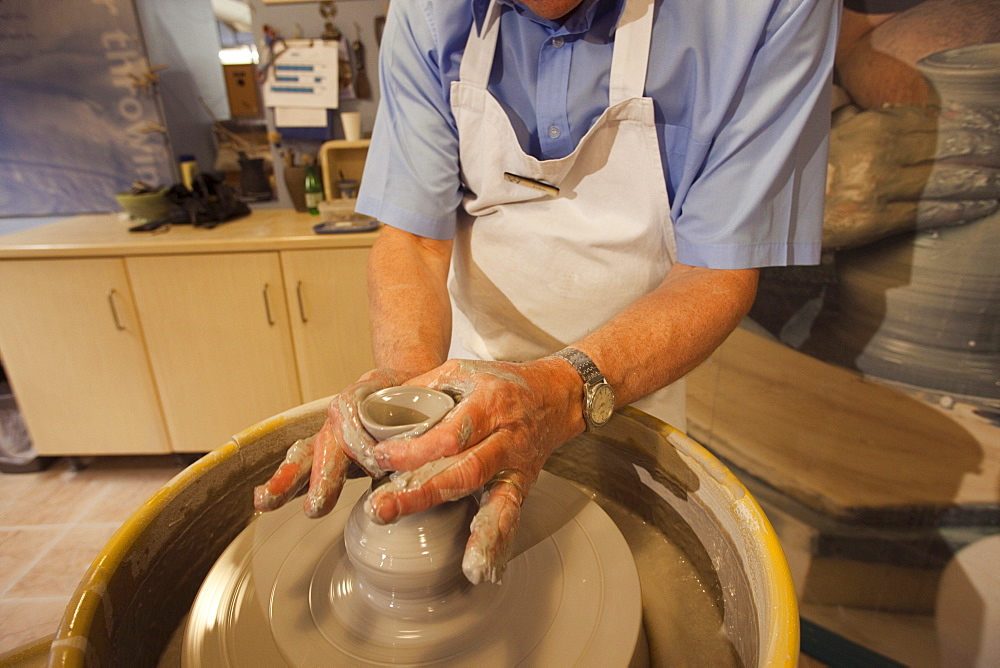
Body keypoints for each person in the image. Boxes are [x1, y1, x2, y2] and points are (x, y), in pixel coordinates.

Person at [254, 0, 840, 585]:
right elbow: (414, 241)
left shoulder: (764, 12)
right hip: (461, 374)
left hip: (626, 389)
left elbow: (715, 271)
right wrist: (413, 406)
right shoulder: (430, 11)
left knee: (620, 582)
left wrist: (559, 395)